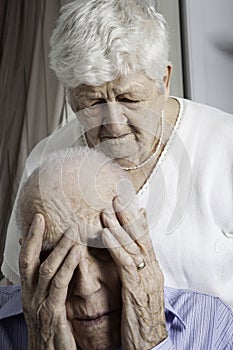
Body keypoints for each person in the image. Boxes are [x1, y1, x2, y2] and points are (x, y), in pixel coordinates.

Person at [2, 0, 233, 311]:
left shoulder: (224, 146)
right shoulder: (46, 162)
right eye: (92, 102)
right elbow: (16, 287)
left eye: (129, 98)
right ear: (70, 95)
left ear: (163, 81)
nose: (113, 123)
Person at [1, 147, 233, 350]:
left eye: (104, 249)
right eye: (56, 257)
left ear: (140, 237)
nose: (86, 287)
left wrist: (152, 341)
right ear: (27, 260)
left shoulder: (212, 325)